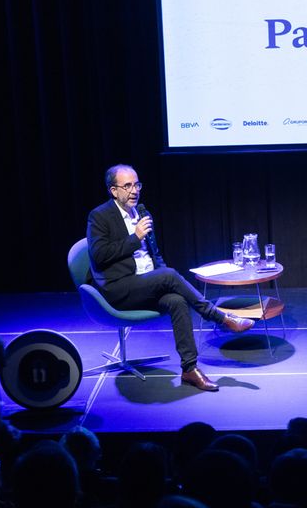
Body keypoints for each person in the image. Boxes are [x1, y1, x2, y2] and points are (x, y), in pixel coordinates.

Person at [87, 164, 254, 391]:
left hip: (146, 283)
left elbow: (155, 255)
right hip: (118, 288)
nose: (134, 190)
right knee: (169, 275)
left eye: (137, 185)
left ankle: (189, 369)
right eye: (127, 186)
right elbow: (99, 256)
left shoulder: (143, 213)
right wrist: (135, 238)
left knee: (177, 300)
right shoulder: (100, 216)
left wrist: (164, 280)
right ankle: (220, 317)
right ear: (114, 190)